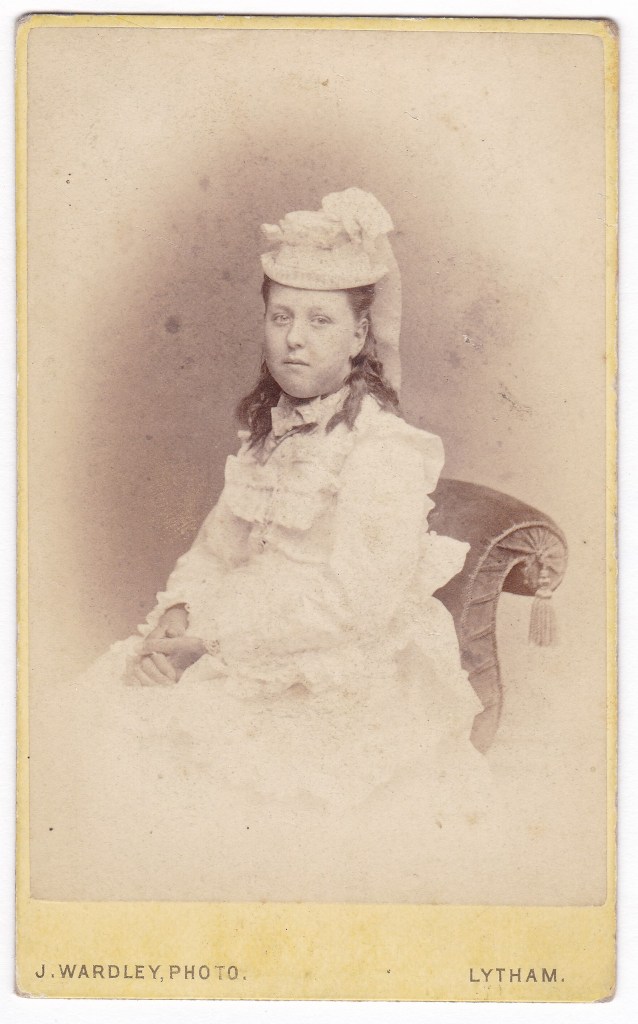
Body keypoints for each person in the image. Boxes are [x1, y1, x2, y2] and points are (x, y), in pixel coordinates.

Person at [37, 188, 494, 902]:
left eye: (319, 320)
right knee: (88, 724)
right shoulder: (268, 436)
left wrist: (210, 645)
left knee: (192, 777)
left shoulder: (386, 449)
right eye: (281, 317)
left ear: (359, 336)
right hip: (229, 637)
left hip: (337, 664)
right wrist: (176, 618)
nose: (295, 339)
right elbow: (215, 551)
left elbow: (353, 605)